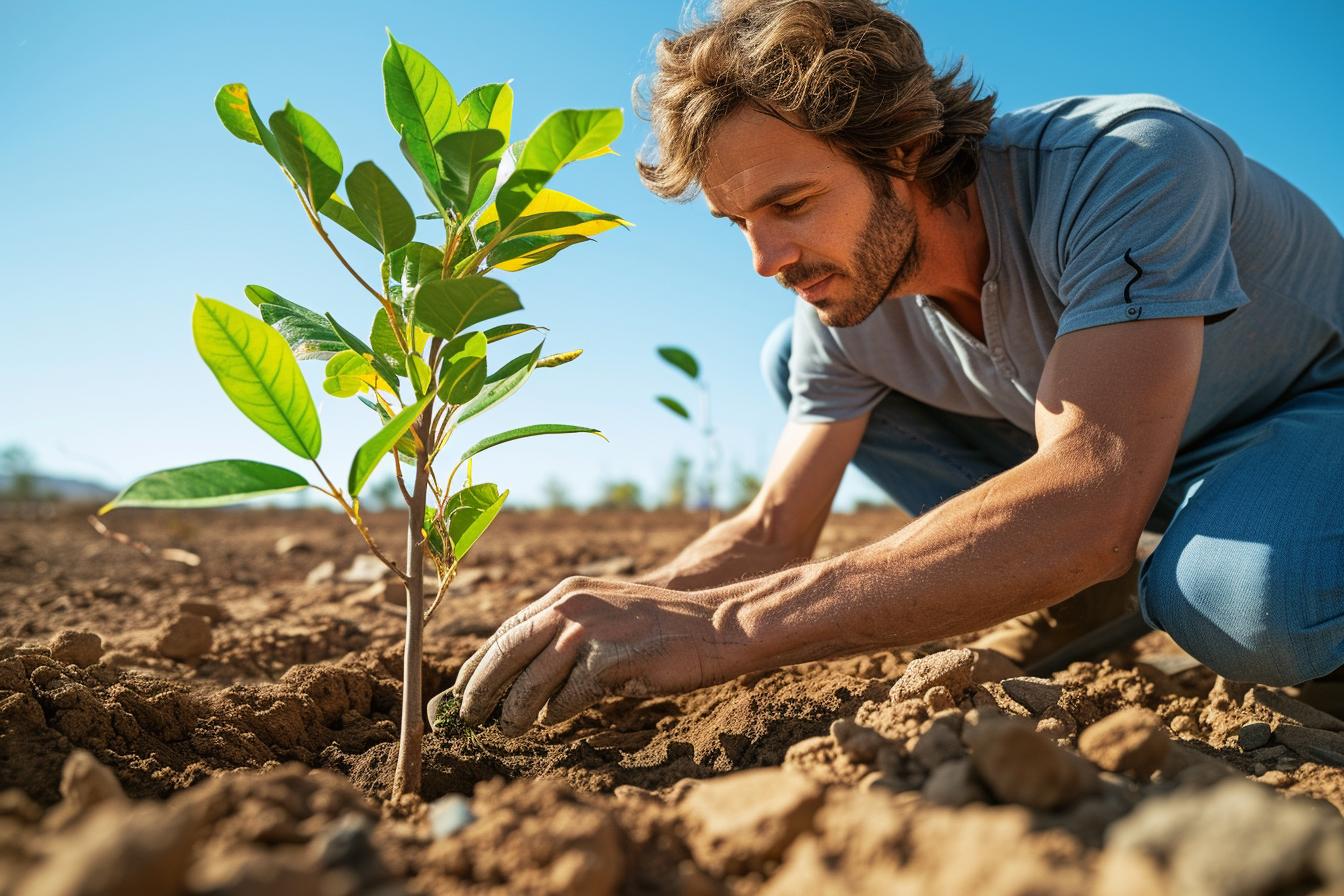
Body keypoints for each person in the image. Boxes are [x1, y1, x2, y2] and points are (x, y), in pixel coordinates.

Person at [438, 0, 1344, 738]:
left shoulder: (1127, 166)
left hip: (1303, 412)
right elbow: (772, 532)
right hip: (1132, 465)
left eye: (791, 203)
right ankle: (1087, 602)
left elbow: (1094, 494)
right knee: (789, 352)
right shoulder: (839, 308)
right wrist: (628, 610)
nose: (765, 260)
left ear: (902, 149)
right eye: (737, 223)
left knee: (1240, 602)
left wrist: (725, 629)